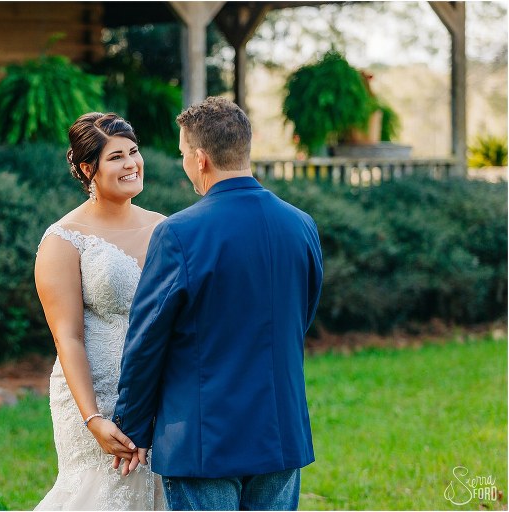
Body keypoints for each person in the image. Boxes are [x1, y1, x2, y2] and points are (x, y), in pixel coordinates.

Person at [113, 96, 324, 511]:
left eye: (183, 155)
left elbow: (147, 340)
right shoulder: (301, 225)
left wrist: (132, 429)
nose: (184, 165)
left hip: (203, 438)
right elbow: (302, 315)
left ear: (201, 158)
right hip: (280, 433)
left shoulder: (179, 234)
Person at [34, 112, 166, 510]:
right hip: (96, 395)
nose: (131, 164)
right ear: (89, 168)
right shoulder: (64, 239)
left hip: (160, 391)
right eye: (117, 157)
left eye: (134, 152)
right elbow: (67, 337)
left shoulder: (165, 228)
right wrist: (93, 418)